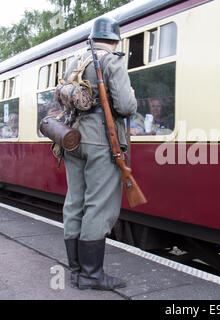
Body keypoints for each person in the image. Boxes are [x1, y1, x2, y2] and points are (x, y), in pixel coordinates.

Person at [62, 17, 137, 291]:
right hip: (100, 141)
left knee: (75, 202)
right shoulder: (112, 60)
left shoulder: (75, 61)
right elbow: (126, 106)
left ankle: (76, 272)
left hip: (72, 138)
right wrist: (131, 94)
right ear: (115, 40)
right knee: (98, 204)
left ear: (93, 39)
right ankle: (92, 276)